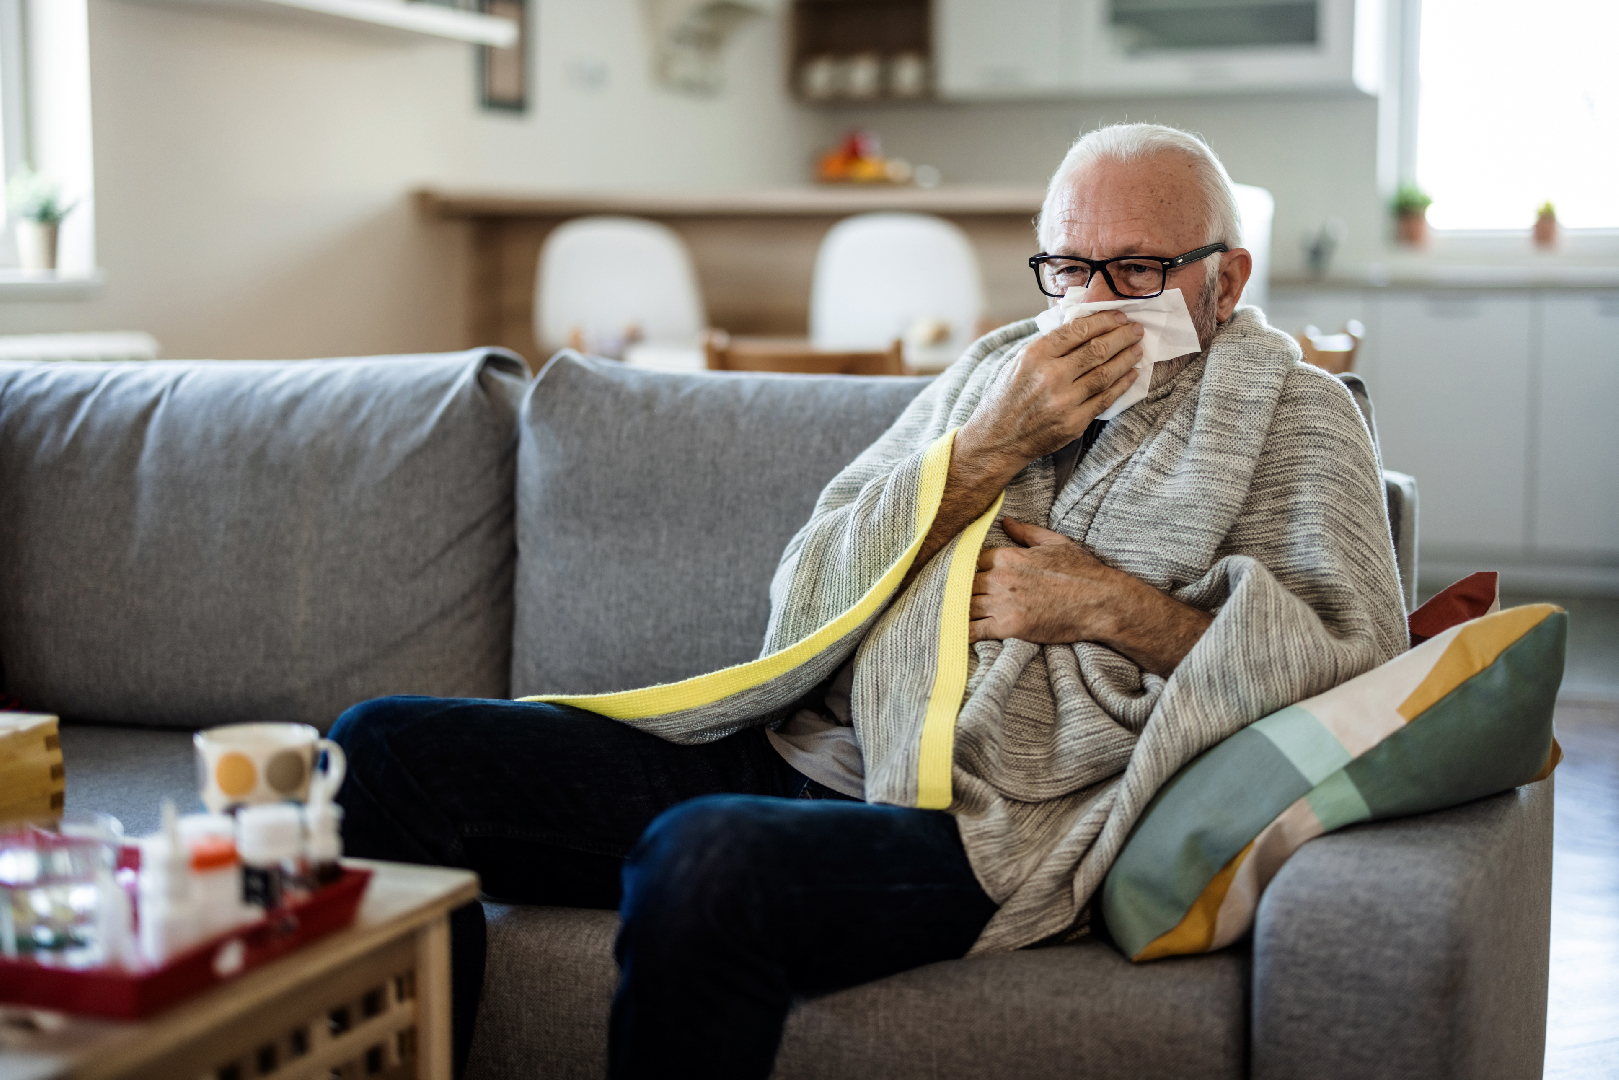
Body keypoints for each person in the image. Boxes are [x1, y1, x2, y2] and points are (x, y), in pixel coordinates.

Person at [331, 122, 1408, 1080]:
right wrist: (988, 447)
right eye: (1067, 268)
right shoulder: (993, 376)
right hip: (800, 748)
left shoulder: (1297, 416)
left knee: (708, 859)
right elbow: (804, 591)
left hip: (979, 818)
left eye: (1134, 271)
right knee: (379, 751)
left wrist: (1108, 607)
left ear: (1225, 279)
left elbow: (1355, 671)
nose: (1090, 305)